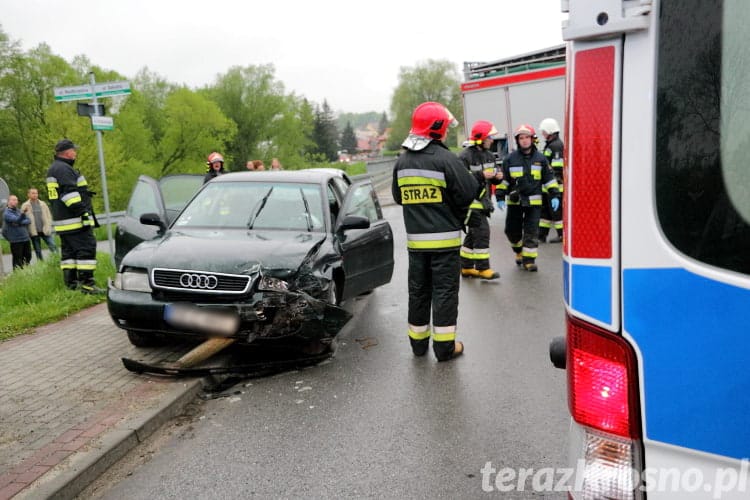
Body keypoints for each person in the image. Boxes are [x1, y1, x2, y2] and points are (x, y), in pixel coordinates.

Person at [392, 101, 479, 361]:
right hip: (445, 245)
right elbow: (468, 192)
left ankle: (418, 346)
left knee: (418, 292)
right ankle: (444, 348)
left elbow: (398, 197)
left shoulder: (402, 161)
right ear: (437, 127)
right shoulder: (445, 159)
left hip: (417, 247)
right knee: (444, 294)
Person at [496, 124, 560, 272]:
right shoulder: (510, 159)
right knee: (511, 231)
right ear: (517, 141)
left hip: (534, 203)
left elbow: (549, 179)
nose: (524, 140)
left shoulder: (541, 159)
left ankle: (529, 260)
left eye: (527, 137)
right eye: (521, 138)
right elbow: (504, 180)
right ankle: (519, 252)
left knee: (532, 231)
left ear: (532, 139)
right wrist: (499, 196)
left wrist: (555, 195)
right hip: (515, 202)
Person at [46, 139, 102, 293]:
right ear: (67, 152)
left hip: (63, 222)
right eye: (74, 150)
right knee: (86, 249)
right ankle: (87, 285)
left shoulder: (53, 169)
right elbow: (69, 195)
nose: (75, 153)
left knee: (69, 254)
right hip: (75, 220)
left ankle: (71, 285)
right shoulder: (64, 169)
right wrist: (83, 213)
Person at [458, 120, 504, 280]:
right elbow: (461, 180)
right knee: (482, 232)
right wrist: (481, 175)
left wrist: (499, 177)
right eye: (490, 137)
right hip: (470, 203)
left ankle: (466, 267)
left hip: (483, 201)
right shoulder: (465, 156)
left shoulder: (490, 155)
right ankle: (483, 268)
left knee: (473, 234)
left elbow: (492, 178)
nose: (492, 140)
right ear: (481, 138)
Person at [538, 118, 564, 243]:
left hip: (555, 185)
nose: (542, 133)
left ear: (550, 131)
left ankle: (561, 235)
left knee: (556, 212)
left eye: (544, 131)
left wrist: (553, 184)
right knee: (545, 212)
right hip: (547, 185)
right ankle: (541, 235)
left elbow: (557, 167)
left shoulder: (556, 146)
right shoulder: (551, 145)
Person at [21, 187, 57, 261]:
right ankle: (41, 263)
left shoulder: (43, 204)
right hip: (34, 231)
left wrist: (49, 224)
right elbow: (22, 217)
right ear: (28, 194)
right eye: (33, 193)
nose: (35, 195)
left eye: (36, 193)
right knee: (38, 250)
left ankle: (57, 260)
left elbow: (49, 215)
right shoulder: (25, 205)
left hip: (44, 230)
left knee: (53, 246)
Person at [3, 194, 32, 269]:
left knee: (28, 256)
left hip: (25, 238)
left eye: (16, 200)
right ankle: (18, 274)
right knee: (18, 259)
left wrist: (19, 222)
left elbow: (28, 220)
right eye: (13, 200)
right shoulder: (7, 213)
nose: (16, 201)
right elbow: (16, 220)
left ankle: (26, 272)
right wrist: (22, 216)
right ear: (8, 202)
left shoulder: (18, 211)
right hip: (16, 240)